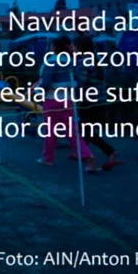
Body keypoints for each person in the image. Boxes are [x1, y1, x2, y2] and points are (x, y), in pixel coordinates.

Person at [36, 35, 97, 173]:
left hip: (52, 99)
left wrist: (37, 92)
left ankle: (47, 158)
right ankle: (88, 155)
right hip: (67, 100)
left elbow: (46, 82)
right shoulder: (71, 61)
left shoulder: (52, 61)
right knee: (72, 132)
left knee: (50, 132)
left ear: (55, 47)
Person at [72, 35, 121, 169]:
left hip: (89, 101)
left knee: (85, 129)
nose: (73, 48)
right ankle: (81, 152)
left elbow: (80, 83)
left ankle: (109, 151)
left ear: (80, 47)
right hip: (100, 99)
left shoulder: (84, 61)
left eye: (74, 45)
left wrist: (73, 97)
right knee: (85, 128)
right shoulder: (96, 58)